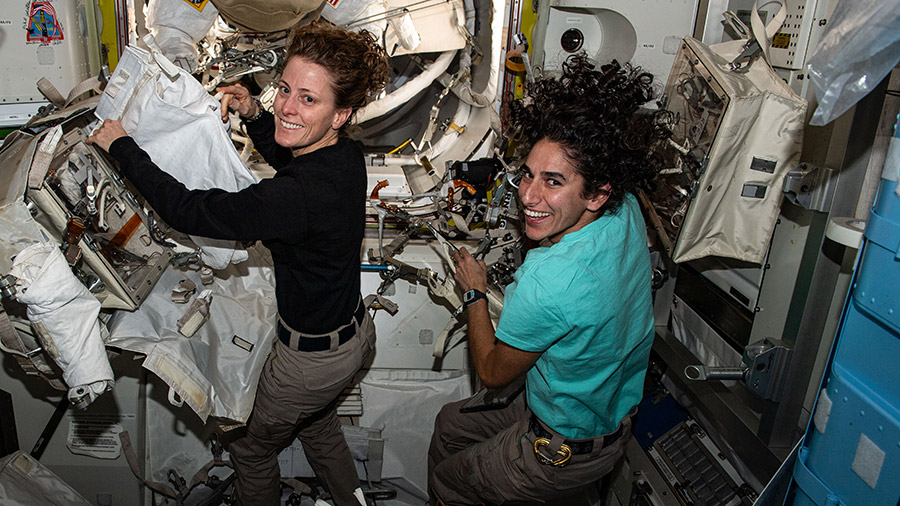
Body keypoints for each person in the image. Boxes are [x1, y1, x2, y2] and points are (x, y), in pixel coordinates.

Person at [88, 21, 390, 506]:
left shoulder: (293, 198)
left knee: (249, 447)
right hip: (354, 336)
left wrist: (121, 146)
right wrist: (253, 113)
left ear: (341, 113)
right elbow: (292, 151)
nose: (288, 107)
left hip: (308, 361)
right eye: (285, 90)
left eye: (308, 100)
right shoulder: (345, 155)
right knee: (319, 428)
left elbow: (190, 210)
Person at [427, 54, 672, 504]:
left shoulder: (549, 283)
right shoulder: (626, 210)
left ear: (598, 193)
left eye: (553, 182)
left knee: (448, 480)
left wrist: (474, 293)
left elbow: (493, 374)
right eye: (528, 175)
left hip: (559, 447)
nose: (528, 197)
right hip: (601, 412)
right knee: (451, 424)